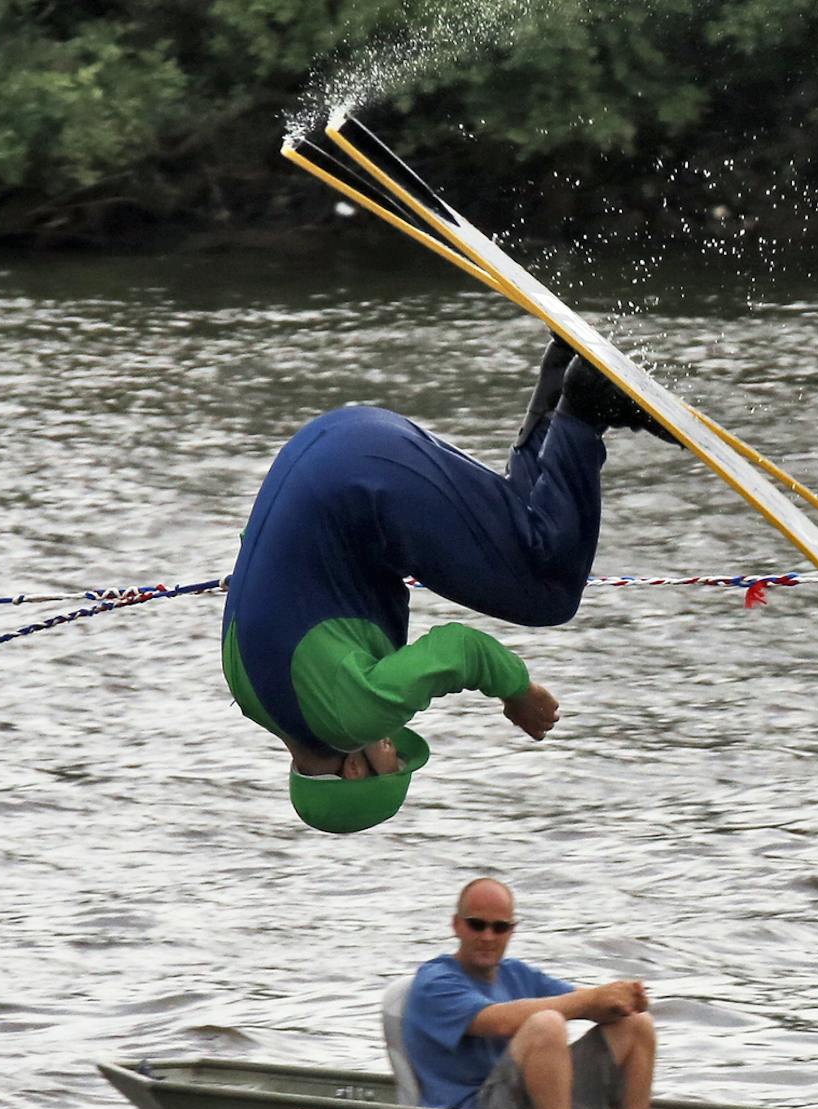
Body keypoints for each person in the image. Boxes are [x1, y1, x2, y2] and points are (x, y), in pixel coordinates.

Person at [222, 337, 670, 832]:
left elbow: (459, 649)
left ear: (353, 769)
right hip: (334, 439)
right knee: (518, 543)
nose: (394, 741)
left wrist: (516, 693)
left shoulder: (348, 723)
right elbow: (256, 554)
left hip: (364, 485)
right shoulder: (250, 694)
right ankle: (557, 394)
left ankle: (585, 406)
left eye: (394, 758)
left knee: (551, 592)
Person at [399, 876, 658, 1109]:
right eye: (477, 924)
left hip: (524, 1103)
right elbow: (500, 1022)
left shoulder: (517, 974)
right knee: (547, 1026)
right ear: (456, 925)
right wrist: (592, 999)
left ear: (511, 931)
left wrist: (622, 999)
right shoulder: (434, 982)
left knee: (637, 1024)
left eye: (499, 927)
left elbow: (584, 1002)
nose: (487, 936)